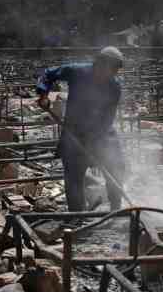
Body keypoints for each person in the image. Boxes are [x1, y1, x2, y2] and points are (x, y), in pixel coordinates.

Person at [36, 47, 126, 212]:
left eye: (114, 71)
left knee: (116, 168)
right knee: (74, 179)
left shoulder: (114, 87)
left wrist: (96, 145)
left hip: (100, 134)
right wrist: (43, 95)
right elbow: (48, 74)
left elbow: (107, 119)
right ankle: (77, 218)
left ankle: (116, 212)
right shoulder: (77, 71)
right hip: (73, 132)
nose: (110, 75)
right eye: (109, 69)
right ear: (99, 64)